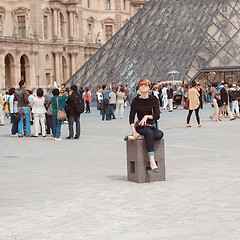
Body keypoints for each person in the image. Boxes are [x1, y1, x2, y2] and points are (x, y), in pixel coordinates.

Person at [126, 79, 164, 173]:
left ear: (149, 87)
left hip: (150, 125)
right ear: (138, 88)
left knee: (160, 134)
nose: (143, 86)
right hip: (140, 127)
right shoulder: (135, 101)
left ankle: (139, 137)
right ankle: (152, 160)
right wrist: (134, 131)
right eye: (141, 85)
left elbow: (157, 116)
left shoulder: (153, 99)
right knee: (149, 133)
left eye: (146, 85)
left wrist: (147, 116)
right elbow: (131, 117)